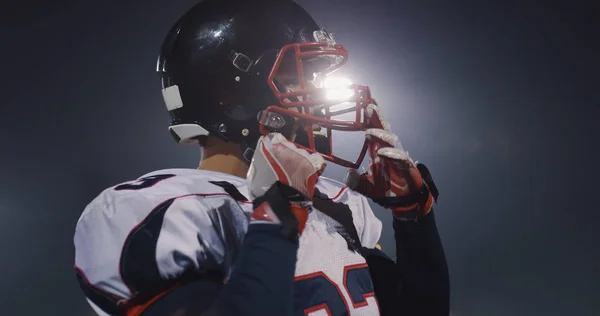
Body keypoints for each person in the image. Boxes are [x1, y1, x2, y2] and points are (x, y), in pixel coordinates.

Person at [73, 0, 449, 315]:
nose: (316, 96)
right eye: (295, 78)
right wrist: (278, 214)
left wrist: (413, 218)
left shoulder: (336, 203)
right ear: (228, 97)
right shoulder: (157, 211)